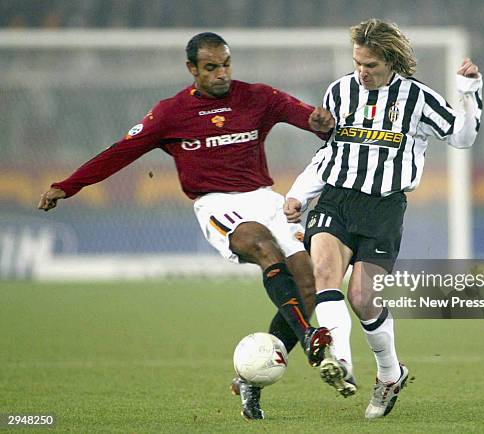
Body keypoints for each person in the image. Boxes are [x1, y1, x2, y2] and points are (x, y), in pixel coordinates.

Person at [37, 32, 337, 421]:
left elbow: (309, 117)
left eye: (226, 64)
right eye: (211, 67)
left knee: (308, 281)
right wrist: (67, 186)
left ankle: (251, 380)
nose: (221, 74)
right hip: (217, 204)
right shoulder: (170, 113)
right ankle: (310, 336)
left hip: (265, 199)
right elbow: (119, 152)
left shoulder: (258, 97)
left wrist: (320, 122)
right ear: (192, 69)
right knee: (263, 247)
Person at [284, 18, 483, 419]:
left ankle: (390, 375)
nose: (362, 71)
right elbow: (331, 153)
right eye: (358, 62)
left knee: (362, 298)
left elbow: (462, 136)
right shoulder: (339, 92)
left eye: (371, 64)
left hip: (384, 209)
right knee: (323, 270)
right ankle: (340, 362)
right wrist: (298, 193)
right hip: (337, 200)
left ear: (391, 60)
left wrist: (470, 91)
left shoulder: (418, 99)